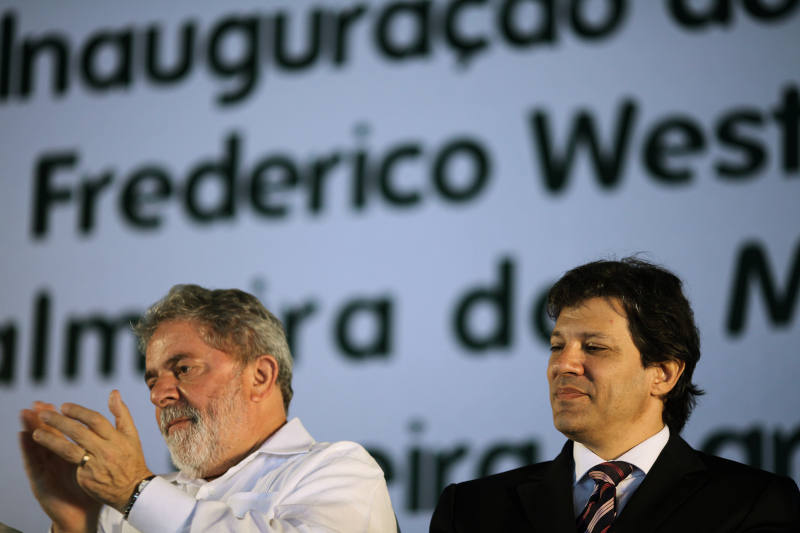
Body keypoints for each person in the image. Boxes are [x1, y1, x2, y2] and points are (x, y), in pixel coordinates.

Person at [430, 258, 800, 533]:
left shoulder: (753, 504)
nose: (564, 365)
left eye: (593, 347)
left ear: (664, 374)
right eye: (557, 346)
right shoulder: (469, 511)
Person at [20, 284, 397, 532]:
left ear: (261, 376)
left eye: (183, 369)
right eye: (152, 380)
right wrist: (79, 524)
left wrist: (136, 492)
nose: (158, 394)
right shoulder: (136, 502)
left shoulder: (340, 471)